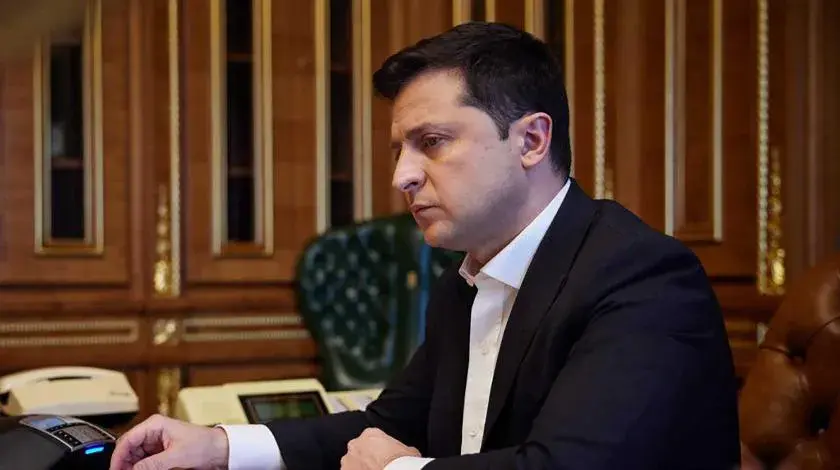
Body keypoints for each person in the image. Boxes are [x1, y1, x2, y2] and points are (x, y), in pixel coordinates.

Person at [110, 21, 741, 470]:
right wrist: (221, 446)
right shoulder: (466, 278)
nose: (402, 176)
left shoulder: (642, 276)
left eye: (432, 142)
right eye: (399, 150)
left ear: (530, 141)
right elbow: (387, 426)